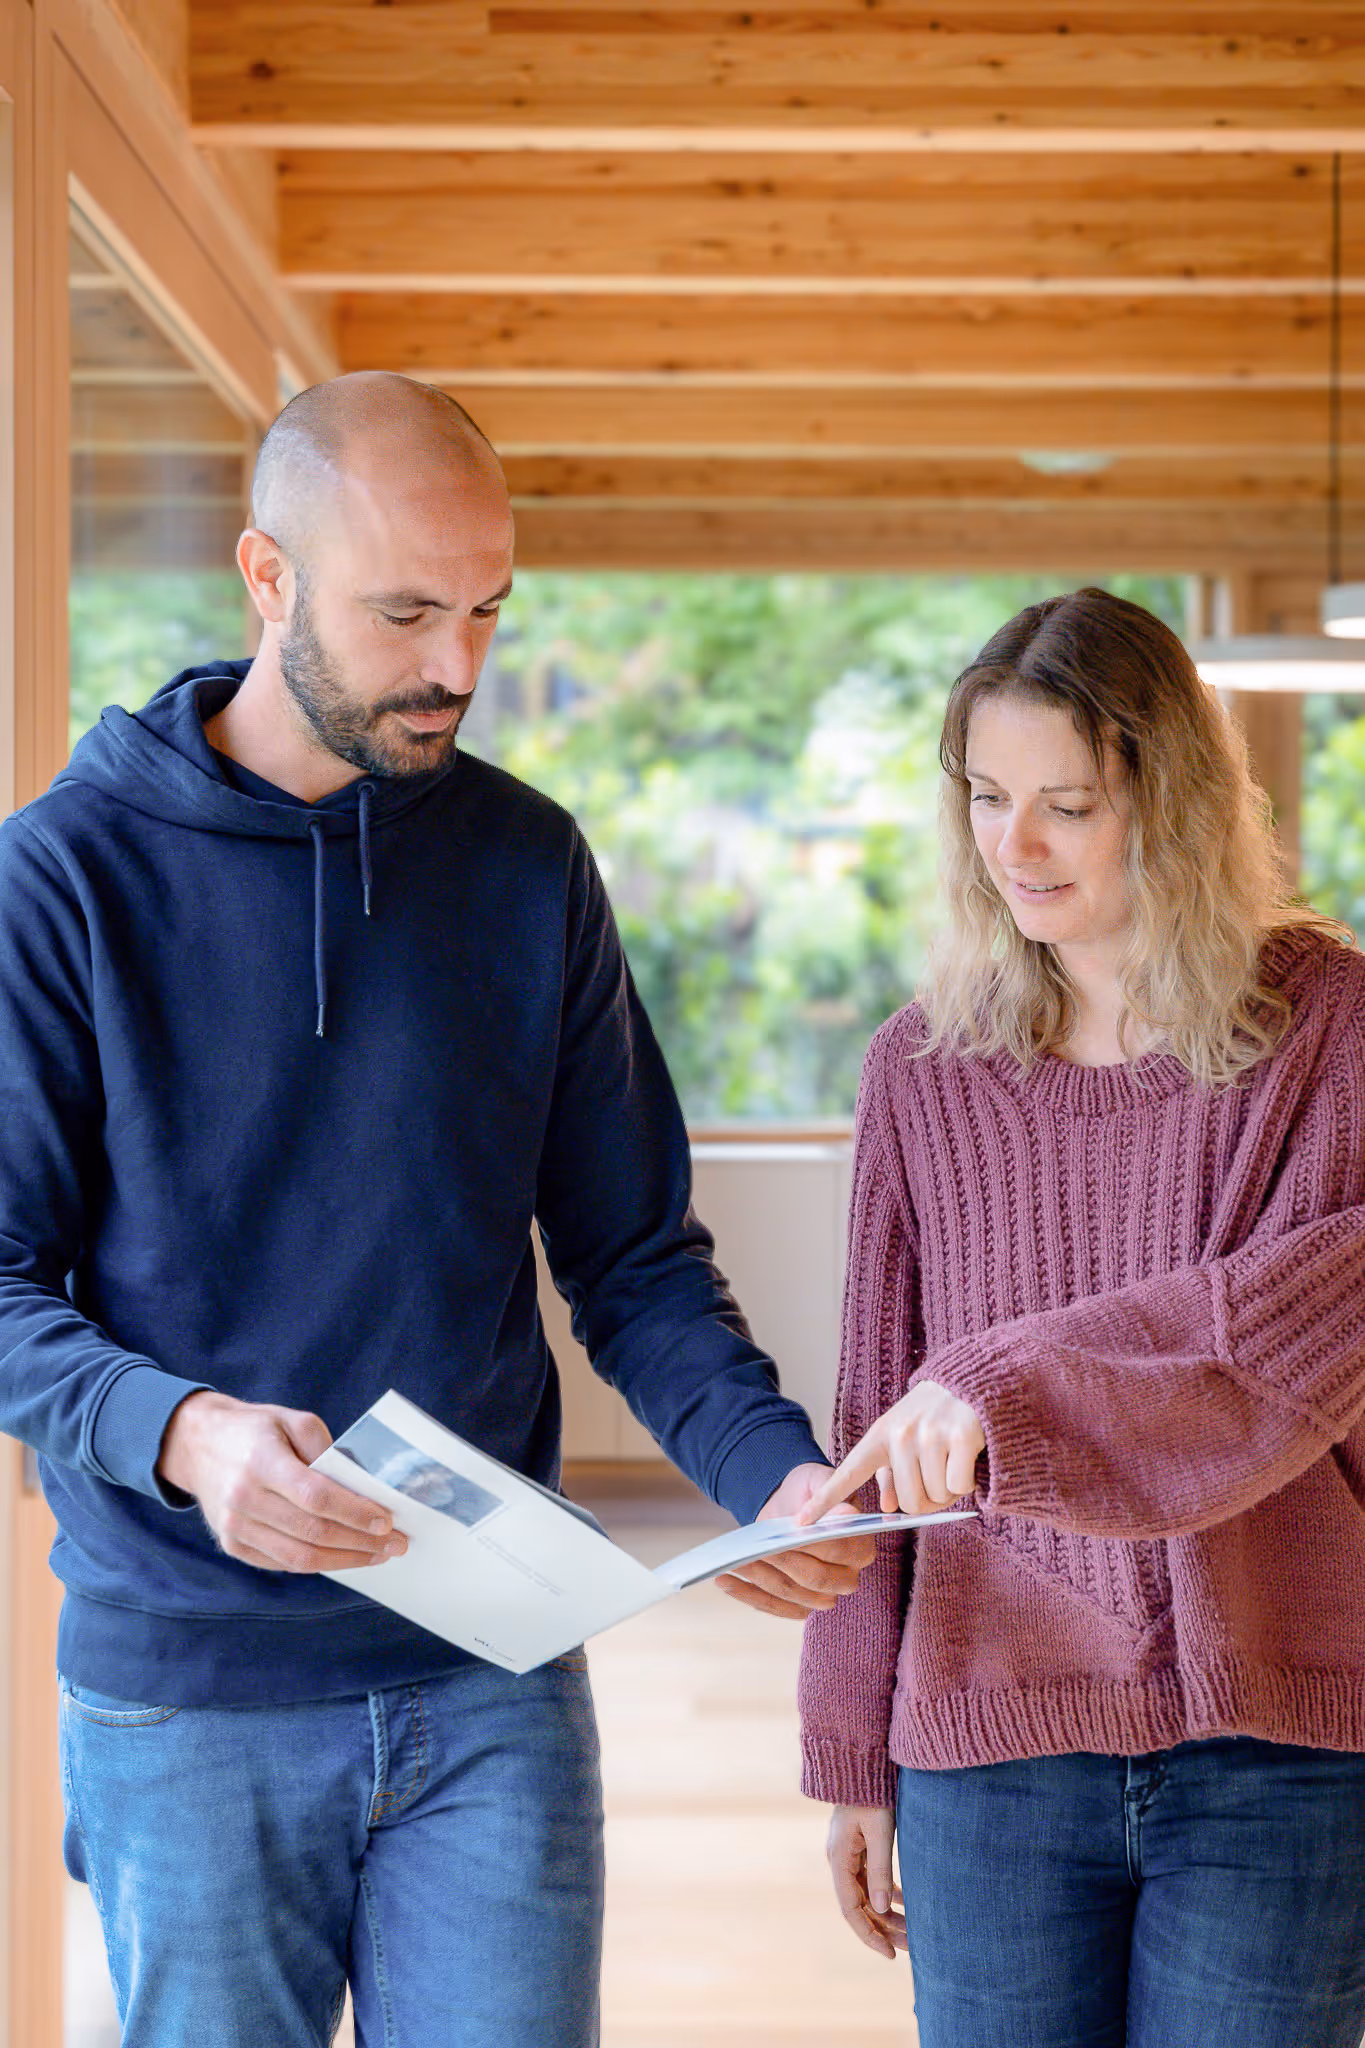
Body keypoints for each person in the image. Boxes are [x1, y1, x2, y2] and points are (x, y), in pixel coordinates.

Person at [0, 371, 875, 2048]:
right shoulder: (66, 878)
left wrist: (775, 1475)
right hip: (190, 1697)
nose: (457, 668)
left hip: (495, 1670)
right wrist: (183, 1432)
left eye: (487, 610)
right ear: (268, 578)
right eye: (406, 612)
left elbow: (630, 1257)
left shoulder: (527, 863)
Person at [794, 587, 1365, 2048]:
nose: (1015, 847)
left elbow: (1300, 1332)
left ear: (1167, 804)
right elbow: (875, 1422)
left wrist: (1002, 1391)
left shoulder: (1329, 1027)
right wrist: (853, 1747)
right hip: (992, 1742)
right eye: (987, 798)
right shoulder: (923, 1069)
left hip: (1281, 1739)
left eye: (1068, 804)